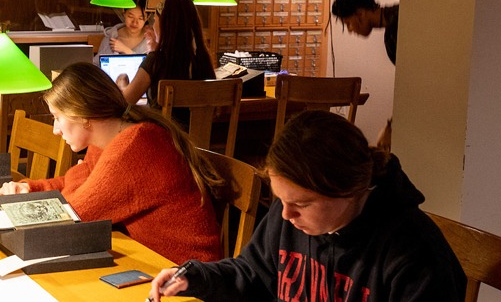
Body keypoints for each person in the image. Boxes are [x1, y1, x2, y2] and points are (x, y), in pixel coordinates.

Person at [148, 110, 465, 302]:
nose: (286, 215)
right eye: (280, 201)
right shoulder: (289, 218)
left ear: (348, 190)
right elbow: (252, 273)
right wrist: (195, 277)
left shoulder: (414, 254)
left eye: (301, 203)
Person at [0, 63, 225, 265]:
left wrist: (76, 183)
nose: (55, 130)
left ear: (83, 115)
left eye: (57, 117)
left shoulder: (133, 149)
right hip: (151, 262)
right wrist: (28, 189)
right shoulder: (114, 136)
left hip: (186, 279)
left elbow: (73, 215)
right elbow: (76, 184)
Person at [121, 0, 215, 108]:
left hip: (163, 126)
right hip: (201, 126)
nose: (153, 25)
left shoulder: (155, 62)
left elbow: (124, 103)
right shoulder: (202, 60)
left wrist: (121, 83)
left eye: (155, 19)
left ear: (163, 24)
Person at [331, 0, 399, 65]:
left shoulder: (392, 34)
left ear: (360, 14)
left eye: (348, 24)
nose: (350, 30)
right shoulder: (403, 10)